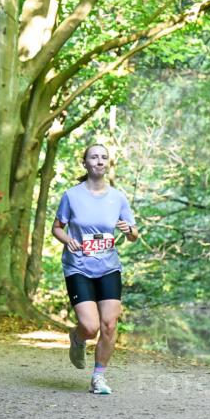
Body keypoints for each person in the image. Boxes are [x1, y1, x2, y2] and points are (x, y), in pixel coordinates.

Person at [51, 144, 138, 395]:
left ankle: (98, 377)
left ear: (108, 163)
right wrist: (68, 240)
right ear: (85, 163)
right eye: (94, 157)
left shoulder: (118, 197)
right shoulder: (71, 195)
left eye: (103, 157)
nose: (99, 161)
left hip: (108, 266)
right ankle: (77, 338)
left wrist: (128, 231)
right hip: (78, 265)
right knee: (90, 327)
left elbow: (134, 234)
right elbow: (57, 228)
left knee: (110, 324)